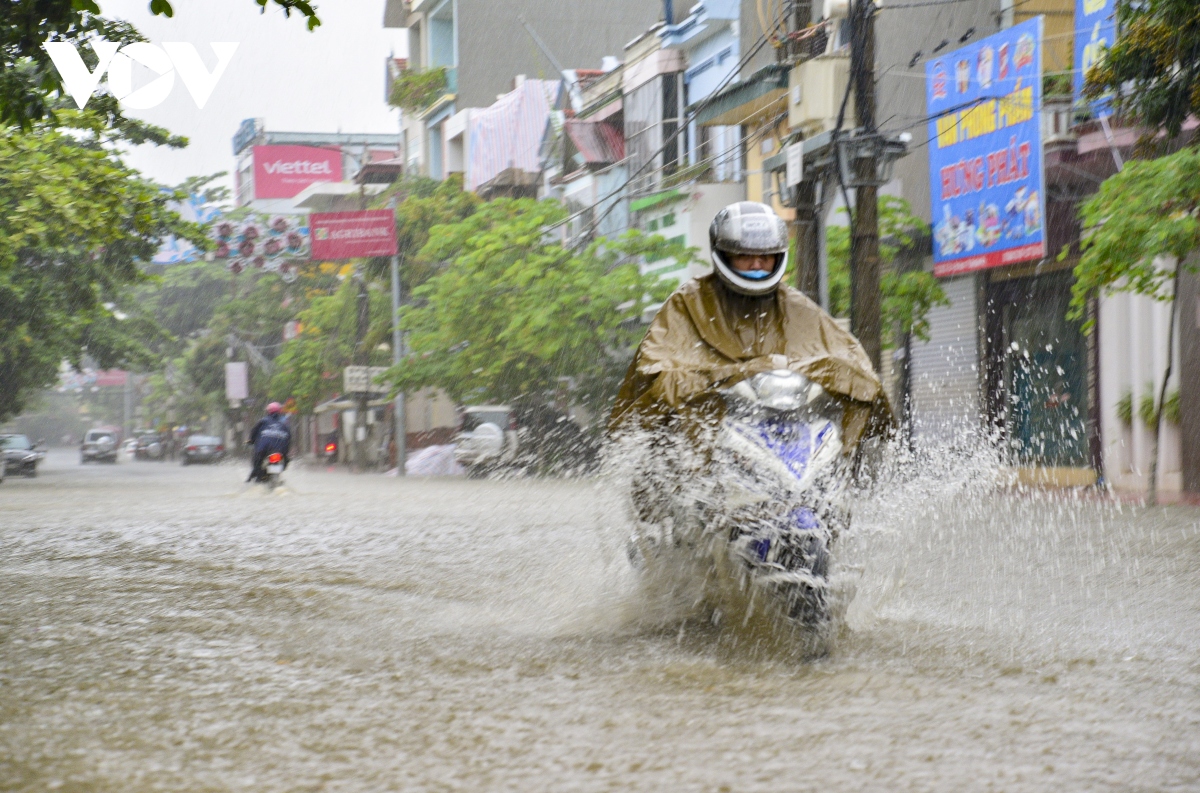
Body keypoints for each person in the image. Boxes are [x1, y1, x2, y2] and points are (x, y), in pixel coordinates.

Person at [609, 201, 891, 453]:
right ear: (725, 255)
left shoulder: (795, 304)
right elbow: (657, 367)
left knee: (863, 388)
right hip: (718, 423)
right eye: (746, 256)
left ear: (778, 256)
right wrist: (715, 377)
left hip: (789, 420)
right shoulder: (688, 302)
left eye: (765, 256)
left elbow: (845, 356)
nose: (757, 264)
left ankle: (850, 477)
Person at [247, 402, 292, 482]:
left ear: (268, 411)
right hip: (280, 451)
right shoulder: (284, 424)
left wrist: (251, 441)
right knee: (285, 461)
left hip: (263, 449)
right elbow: (288, 438)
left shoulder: (263, 421)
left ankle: (257, 478)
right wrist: (286, 452)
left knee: (256, 464)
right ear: (279, 412)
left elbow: (254, 432)